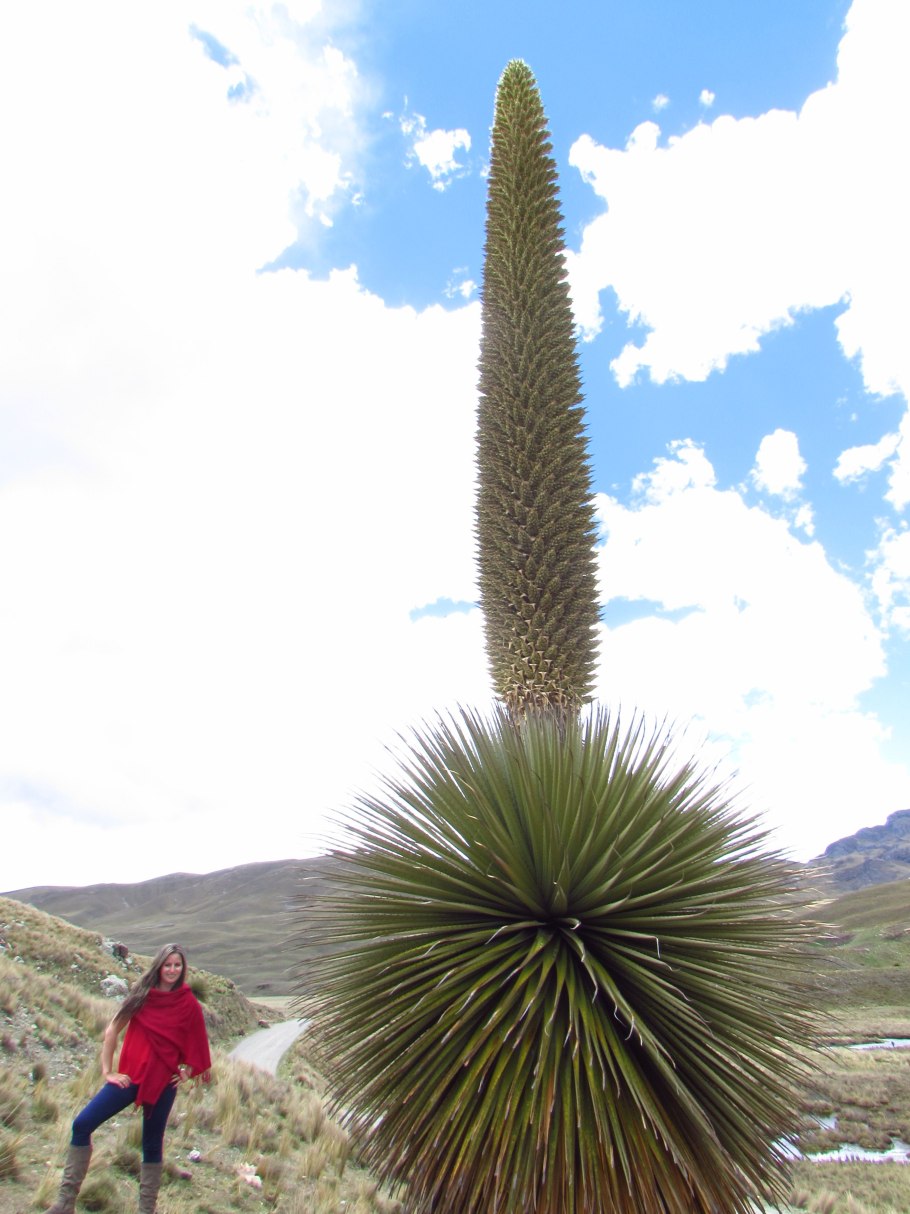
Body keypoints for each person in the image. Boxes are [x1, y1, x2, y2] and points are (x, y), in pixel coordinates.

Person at [45, 943, 212, 1214]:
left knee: (151, 1144)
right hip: (131, 1077)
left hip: (162, 1083)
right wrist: (108, 1071)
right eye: (168, 964)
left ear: (183, 968)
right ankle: (65, 1203)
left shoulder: (188, 1002)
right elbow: (112, 1030)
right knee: (82, 1124)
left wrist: (187, 1072)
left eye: (177, 965)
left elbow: (198, 1044)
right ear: (159, 965)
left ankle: (147, 1210)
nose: (172, 970)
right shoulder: (143, 994)